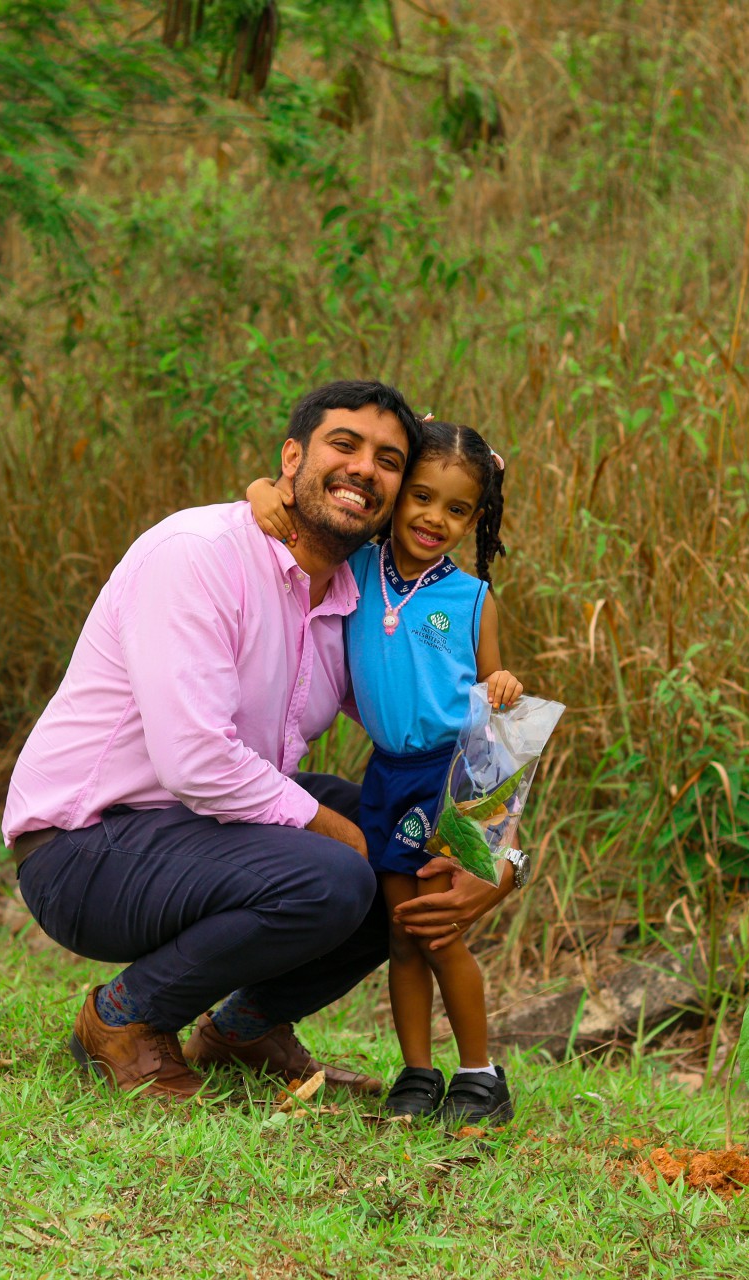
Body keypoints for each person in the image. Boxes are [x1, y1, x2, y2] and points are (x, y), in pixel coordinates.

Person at [4, 381, 521, 1103]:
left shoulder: (352, 595)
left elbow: (433, 719)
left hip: (197, 829)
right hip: (84, 846)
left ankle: (245, 1029)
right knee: (347, 866)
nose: (364, 470)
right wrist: (349, 840)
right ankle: (123, 1020)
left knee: (397, 839)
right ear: (291, 457)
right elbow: (197, 763)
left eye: (388, 459)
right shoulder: (198, 555)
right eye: (344, 446)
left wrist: (489, 847)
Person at [246, 417, 526, 1125]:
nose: (435, 518)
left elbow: (497, 702)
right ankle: (417, 1073)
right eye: (422, 497)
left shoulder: (471, 599)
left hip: (456, 776)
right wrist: (260, 489)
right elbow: (287, 515)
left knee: (441, 931)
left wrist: (505, 686)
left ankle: (479, 1074)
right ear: (397, 495)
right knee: (402, 932)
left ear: (476, 519)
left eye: (458, 509)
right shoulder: (358, 569)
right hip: (390, 775)